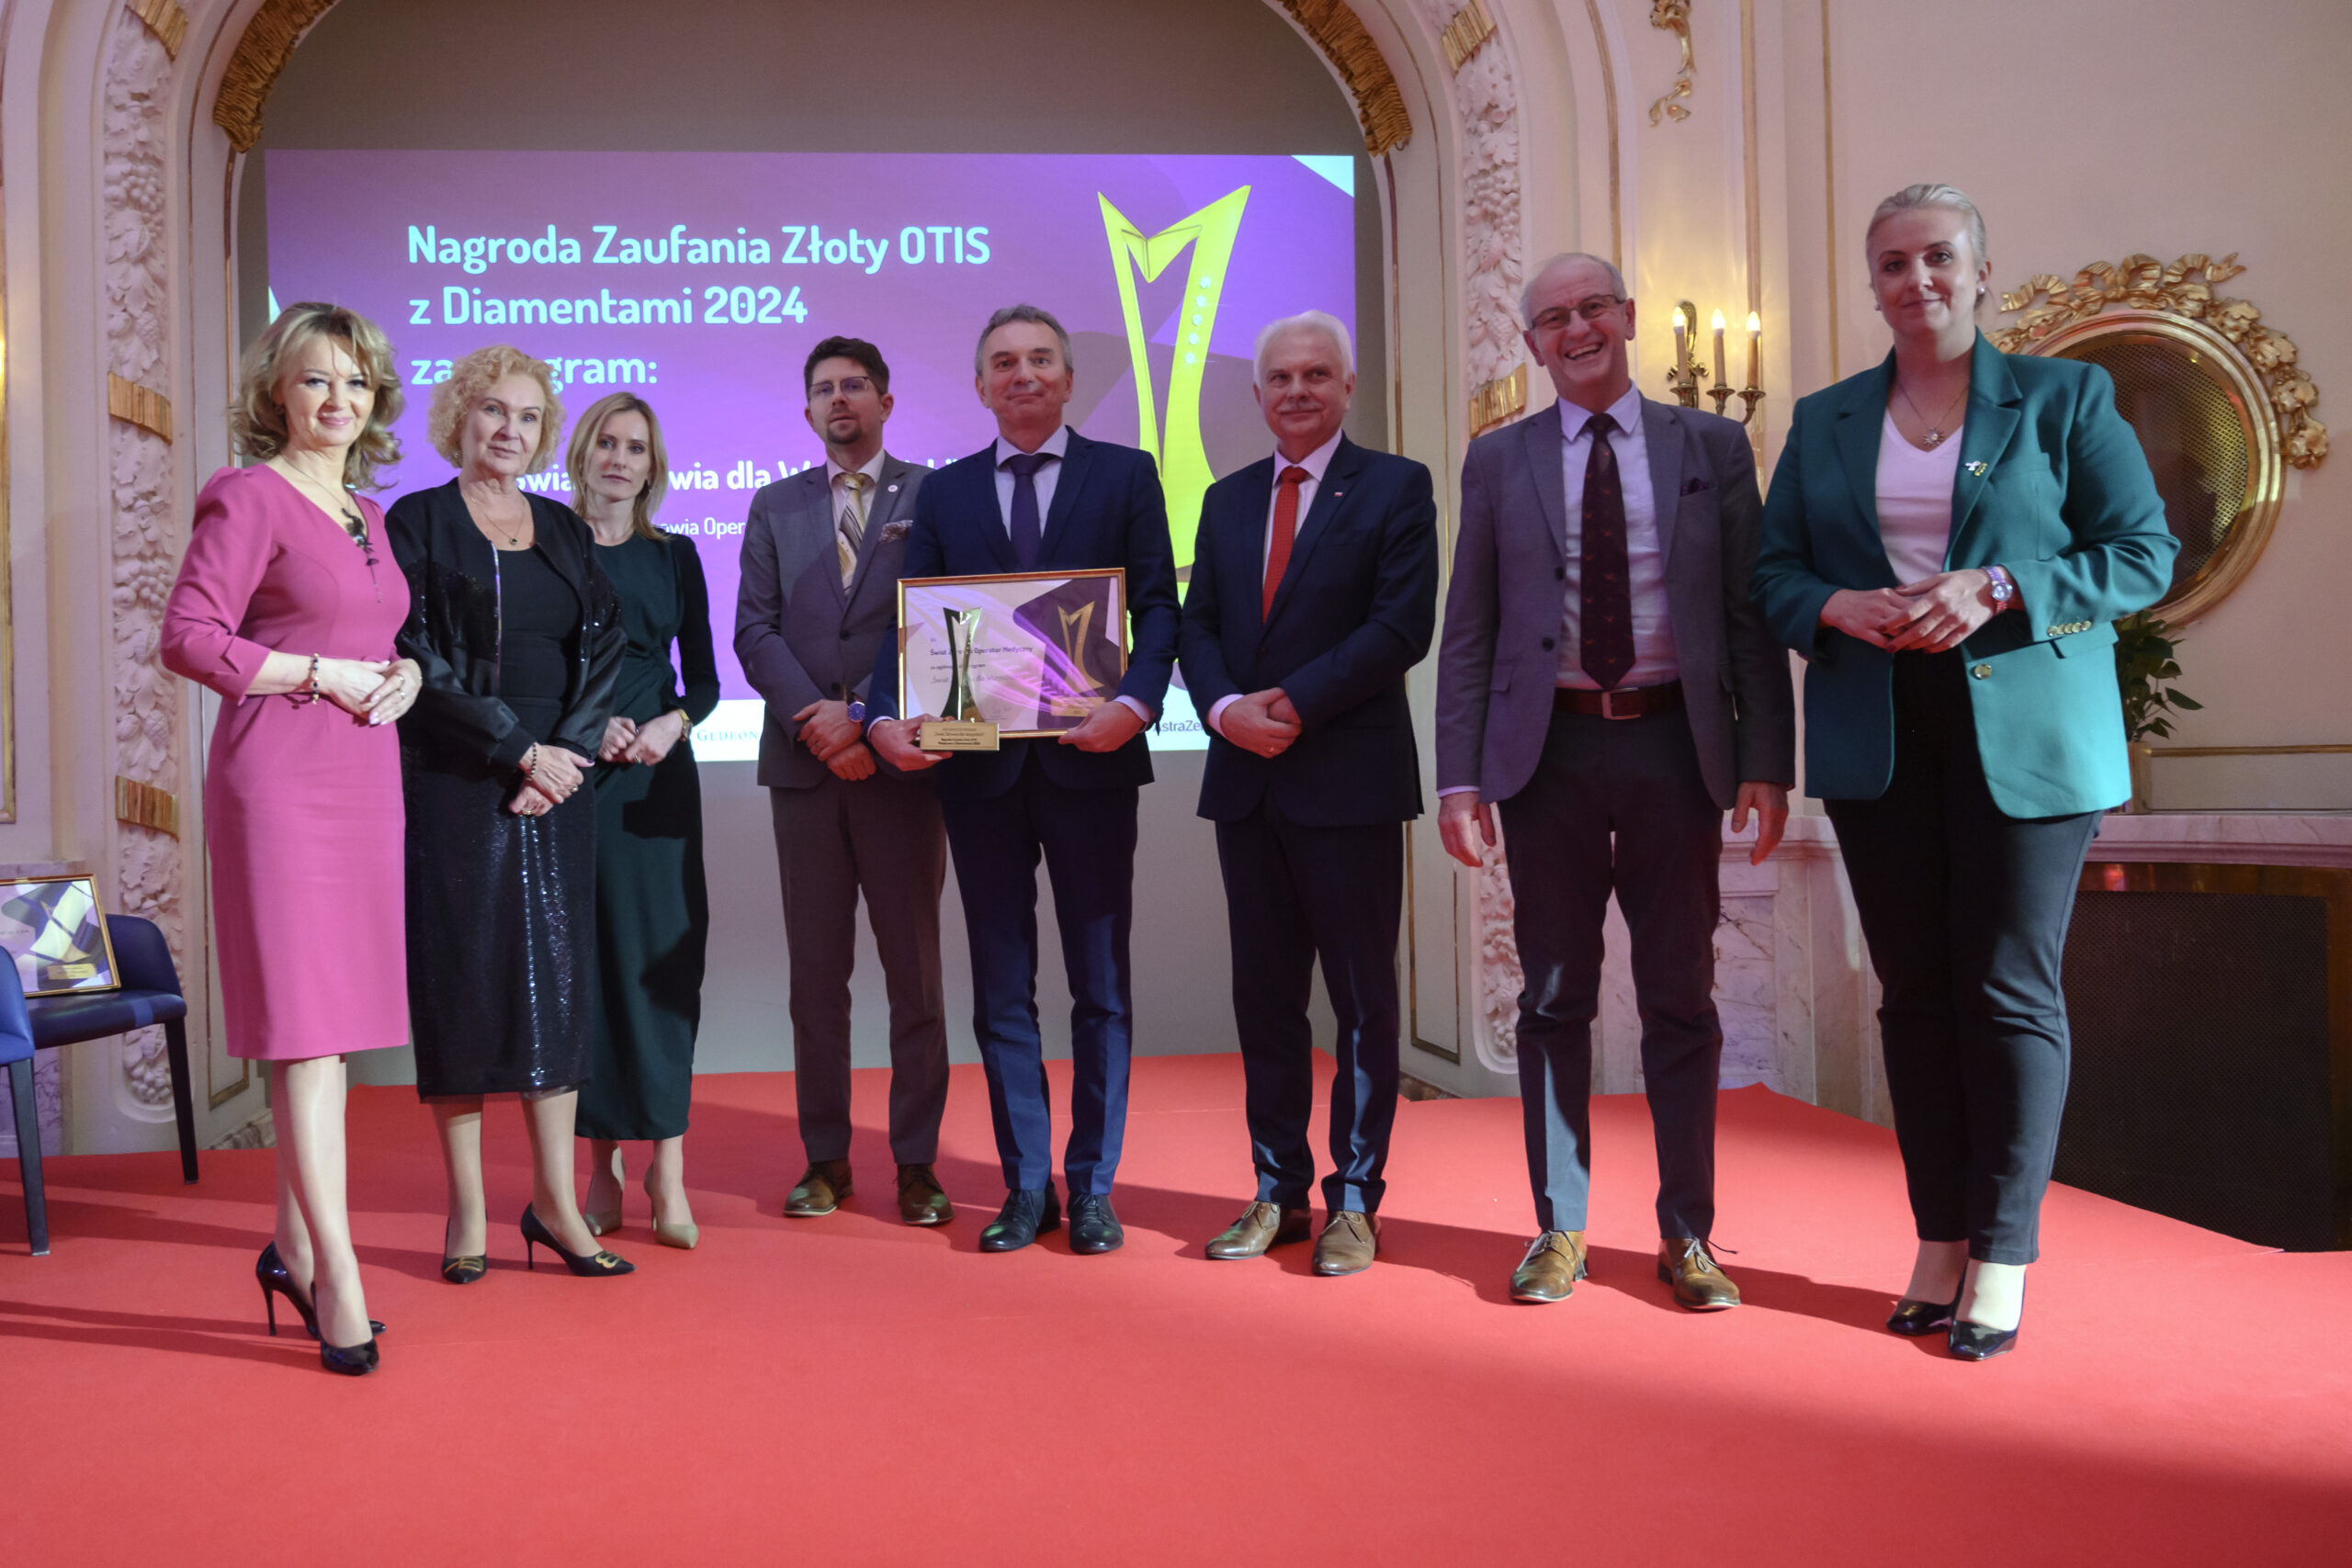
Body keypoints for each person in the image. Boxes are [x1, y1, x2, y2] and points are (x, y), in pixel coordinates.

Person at [1751, 185, 2176, 1359]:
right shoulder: (1825, 418)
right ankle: (1938, 1240)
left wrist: (1996, 587)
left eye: (1937, 257)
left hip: (2029, 735)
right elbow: (1771, 575)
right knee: (1915, 995)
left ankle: (2002, 1253)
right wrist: (1833, 604)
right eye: (1892, 263)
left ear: (1982, 271)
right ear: (1873, 282)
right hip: (1878, 731)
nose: (1916, 280)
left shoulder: (2064, 396)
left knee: (2006, 990)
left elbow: (2142, 554)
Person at [1434, 252, 1796, 1312]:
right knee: (1553, 997)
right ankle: (1560, 1227)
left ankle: (1688, 1233)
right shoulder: (1496, 460)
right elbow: (1470, 629)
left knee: (1681, 996)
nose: (1576, 329)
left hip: (1672, 750)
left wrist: (1765, 763)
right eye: (1553, 318)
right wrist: (1457, 779)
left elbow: (1745, 616)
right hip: (1543, 756)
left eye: (1592, 307)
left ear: (1628, 317)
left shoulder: (1711, 446)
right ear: (1531, 343)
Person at [868, 304, 1181, 1255]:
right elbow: (913, 621)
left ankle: (1093, 1189)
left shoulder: (1125, 474)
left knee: (1100, 987)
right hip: (980, 774)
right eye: (1004, 362)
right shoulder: (947, 491)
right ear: (981, 386)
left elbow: (1160, 608)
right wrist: (880, 718)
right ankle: (1025, 1186)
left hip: (1094, 764)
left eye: (1041, 359)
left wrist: (1135, 703)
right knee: (1002, 989)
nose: (1024, 374)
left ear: (1069, 379)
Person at [162, 303, 421, 1375]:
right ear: (277, 392)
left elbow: (373, 635)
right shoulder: (248, 494)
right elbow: (188, 637)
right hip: (279, 786)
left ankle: (291, 1251)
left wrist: (405, 675)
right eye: (317, 379)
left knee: (334, 1038)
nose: (338, 399)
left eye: (355, 382)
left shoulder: (370, 512)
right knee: (307, 1036)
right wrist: (320, 675)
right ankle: (340, 1282)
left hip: (362, 782)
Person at [1180, 311, 1437, 1276]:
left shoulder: (1397, 487)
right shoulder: (1225, 498)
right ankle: (1278, 1190)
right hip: (1246, 782)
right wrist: (1222, 708)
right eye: (1281, 377)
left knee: (1362, 1001)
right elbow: (1199, 625)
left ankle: (1356, 1199)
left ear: (1347, 386)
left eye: (1316, 375)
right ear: (1258, 395)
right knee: (1265, 999)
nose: (1298, 390)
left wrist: (1290, 701)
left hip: (1349, 782)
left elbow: (1399, 626)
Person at [387, 345, 632, 1282]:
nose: (509, 429)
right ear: (460, 415)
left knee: (556, 986)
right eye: (493, 409)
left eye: (529, 417)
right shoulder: (418, 521)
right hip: (458, 778)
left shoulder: (563, 528)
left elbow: (604, 645)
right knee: (463, 984)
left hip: (558, 784)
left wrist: (560, 755)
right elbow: (413, 652)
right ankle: (468, 1209)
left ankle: (557, 1206)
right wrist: (513, 748)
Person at [736, 337, 952, 1227]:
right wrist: (817, 723)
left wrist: (864, 714)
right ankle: (825, 1159)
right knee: (816, 980)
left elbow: (939, 617)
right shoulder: (775, 504)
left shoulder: (933, 495)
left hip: (903, 770)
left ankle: (917, 1164)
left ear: (885, 402)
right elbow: (754, 631)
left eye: (854, 385)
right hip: (805, 771)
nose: (838, 399)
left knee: (916, 977)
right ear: (807, 410)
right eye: (823, 389)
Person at [566, 392, 718, 1249]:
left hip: (660, 785)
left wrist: (673, 722)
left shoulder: (676, 555)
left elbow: (706, 680)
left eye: (636, 448)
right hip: (578, 778)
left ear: (652, 467)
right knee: (592, 971)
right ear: (582, 452)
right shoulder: (548, 546)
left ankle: (669, 1168)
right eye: (607, 443)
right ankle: (601, 1168)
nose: (619, 459)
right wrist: (590, 727)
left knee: (663, 971)